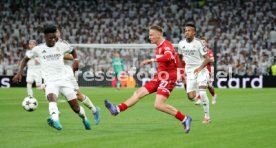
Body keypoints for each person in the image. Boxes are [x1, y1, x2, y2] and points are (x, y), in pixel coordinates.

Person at [104, 25, 192, 133]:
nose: (149, 37)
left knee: (158, 105)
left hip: (169, 77)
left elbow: (168, 56)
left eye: (151, 35)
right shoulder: (159, 46)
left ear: (159, 35)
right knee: (139, 93)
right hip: (160, 76)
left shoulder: (166, 45)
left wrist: (152, 60)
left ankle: (184, 118)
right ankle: (117, 109)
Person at [13, 23, 91, 130]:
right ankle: (55, 120)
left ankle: (84, 118)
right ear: (45, 37)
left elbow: (73, 50)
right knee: (51, 98)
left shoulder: (61, 45)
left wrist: (76, 61)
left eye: (55, 37)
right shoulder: (38, 49)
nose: (53, 40)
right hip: (50, 82)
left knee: (76, 108)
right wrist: (19, 72)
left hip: (64, 81)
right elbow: (25, 59)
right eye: (51, 38)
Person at [56, 28, 100, 125]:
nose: (54, 34)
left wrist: (57, 55)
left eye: (56, 32)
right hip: (56, 75)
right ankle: (55, 115)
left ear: (59, 33)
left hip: (67, 74)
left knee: (78, 96)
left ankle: (94, 110)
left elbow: (72, 56)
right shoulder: (48, 46)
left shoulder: (64, 44)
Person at [178, 24, 211, 123]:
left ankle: (207, 117)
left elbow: (207, 59)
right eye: (185, 30)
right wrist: (180, 72)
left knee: (202, 92)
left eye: (189, 30)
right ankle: (197, 90)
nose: (186, 32)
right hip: (190, 72)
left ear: (194, 32)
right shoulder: (181, 44)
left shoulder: (199, 43)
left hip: (202, 71)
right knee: (191, 97)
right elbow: (179, 57)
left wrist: (200, 68)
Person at [194, 37, 217, 105]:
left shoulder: (208, 51)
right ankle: (199, 99)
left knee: (209, 86)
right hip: (199, 70)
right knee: (198, 83)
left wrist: (206, 59)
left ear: (206, 43)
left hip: (208, 71)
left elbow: (212, 60)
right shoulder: (197, 51)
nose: (202, 43)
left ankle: (214, 95)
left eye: (204, 42)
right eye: (201, 42)